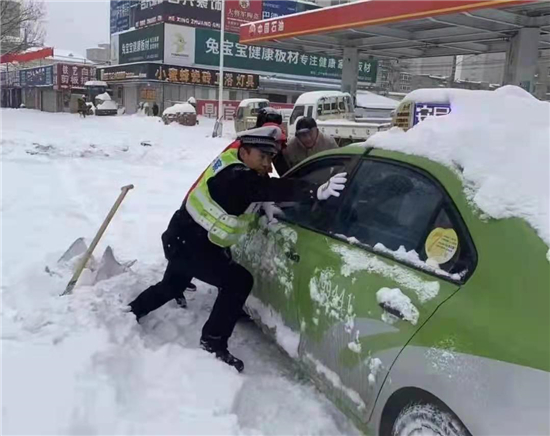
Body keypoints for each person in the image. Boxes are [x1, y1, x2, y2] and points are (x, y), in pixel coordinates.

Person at [128, 125, 347, 372]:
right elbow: (259, 187)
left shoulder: (233, 163)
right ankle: (213, 342)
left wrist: (263, 204)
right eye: (262, 157)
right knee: (238, 281)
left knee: (172, 286)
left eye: (270, 158)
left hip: (184, 238)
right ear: (244, 153)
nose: (267, 164)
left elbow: (254, 191)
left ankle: (131, 311)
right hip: (191, 244)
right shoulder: (235, 175)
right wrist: (313, 191)